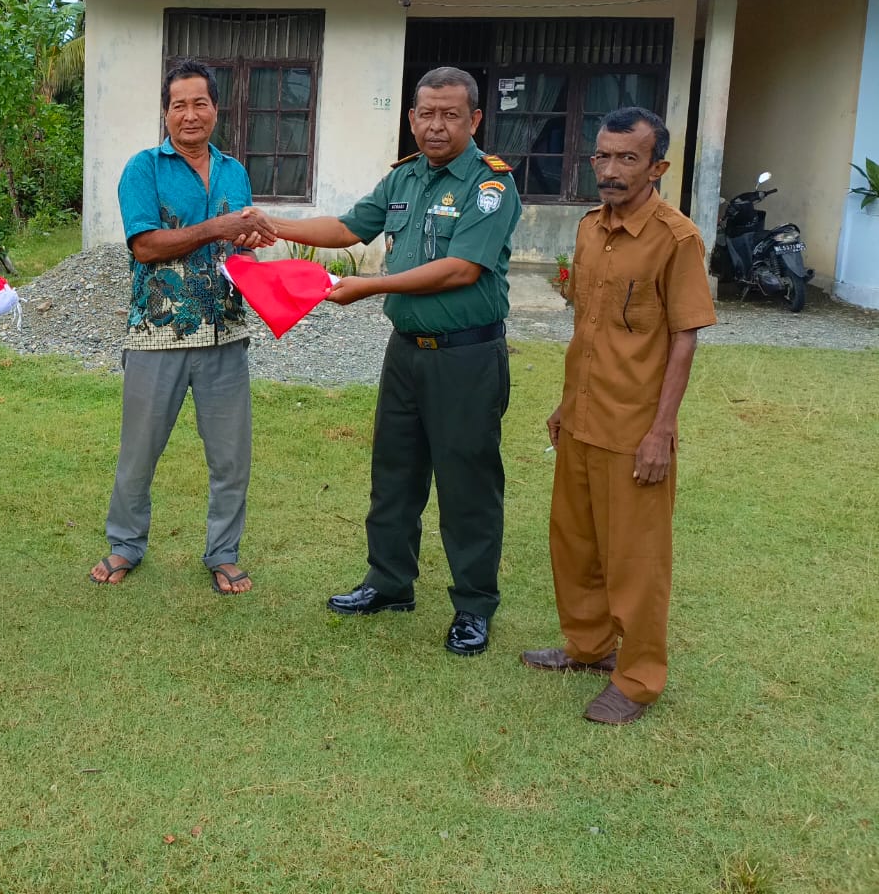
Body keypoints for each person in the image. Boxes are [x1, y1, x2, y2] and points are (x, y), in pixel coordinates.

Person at [270, 66, 521, 655]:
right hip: (405, 355)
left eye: (450, 115)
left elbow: (462, 269)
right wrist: (271, 224)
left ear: (474, 120)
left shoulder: (490, 186)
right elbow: (350, 226)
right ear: (411, 117)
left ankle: (473, 607)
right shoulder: (404, 178)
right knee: (394, 476)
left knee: (467, 485)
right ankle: (389, 583)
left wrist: (372, 288)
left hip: (466, 358)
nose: (436, 126)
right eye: (426, 114)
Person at [525, 106, 715, 724]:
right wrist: (564, 401)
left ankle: (637, 679)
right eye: (602, 156)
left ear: (656, 166)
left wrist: (661, 432)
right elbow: (593, 325)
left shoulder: (676, 238)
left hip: (635, 429)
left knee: (636, 559)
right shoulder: (588, 229)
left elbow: (683, 338)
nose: (610, 170)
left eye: (627, 158)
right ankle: (587, 647)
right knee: (575, 544)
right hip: (581, 420)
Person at [89, 61, 275, 594]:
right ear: (166, 113)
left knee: (231, 456)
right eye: (179, 105)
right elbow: (145, 245)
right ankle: (125, 544)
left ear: (216, 109)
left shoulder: (234, 171)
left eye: (200, 103)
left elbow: (237, 244)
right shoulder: (143, 169)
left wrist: (251, 251)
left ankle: (223, 552)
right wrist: (218, 227)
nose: (190, 115)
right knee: (139, 453)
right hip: (159, 333)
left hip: (227, 333)